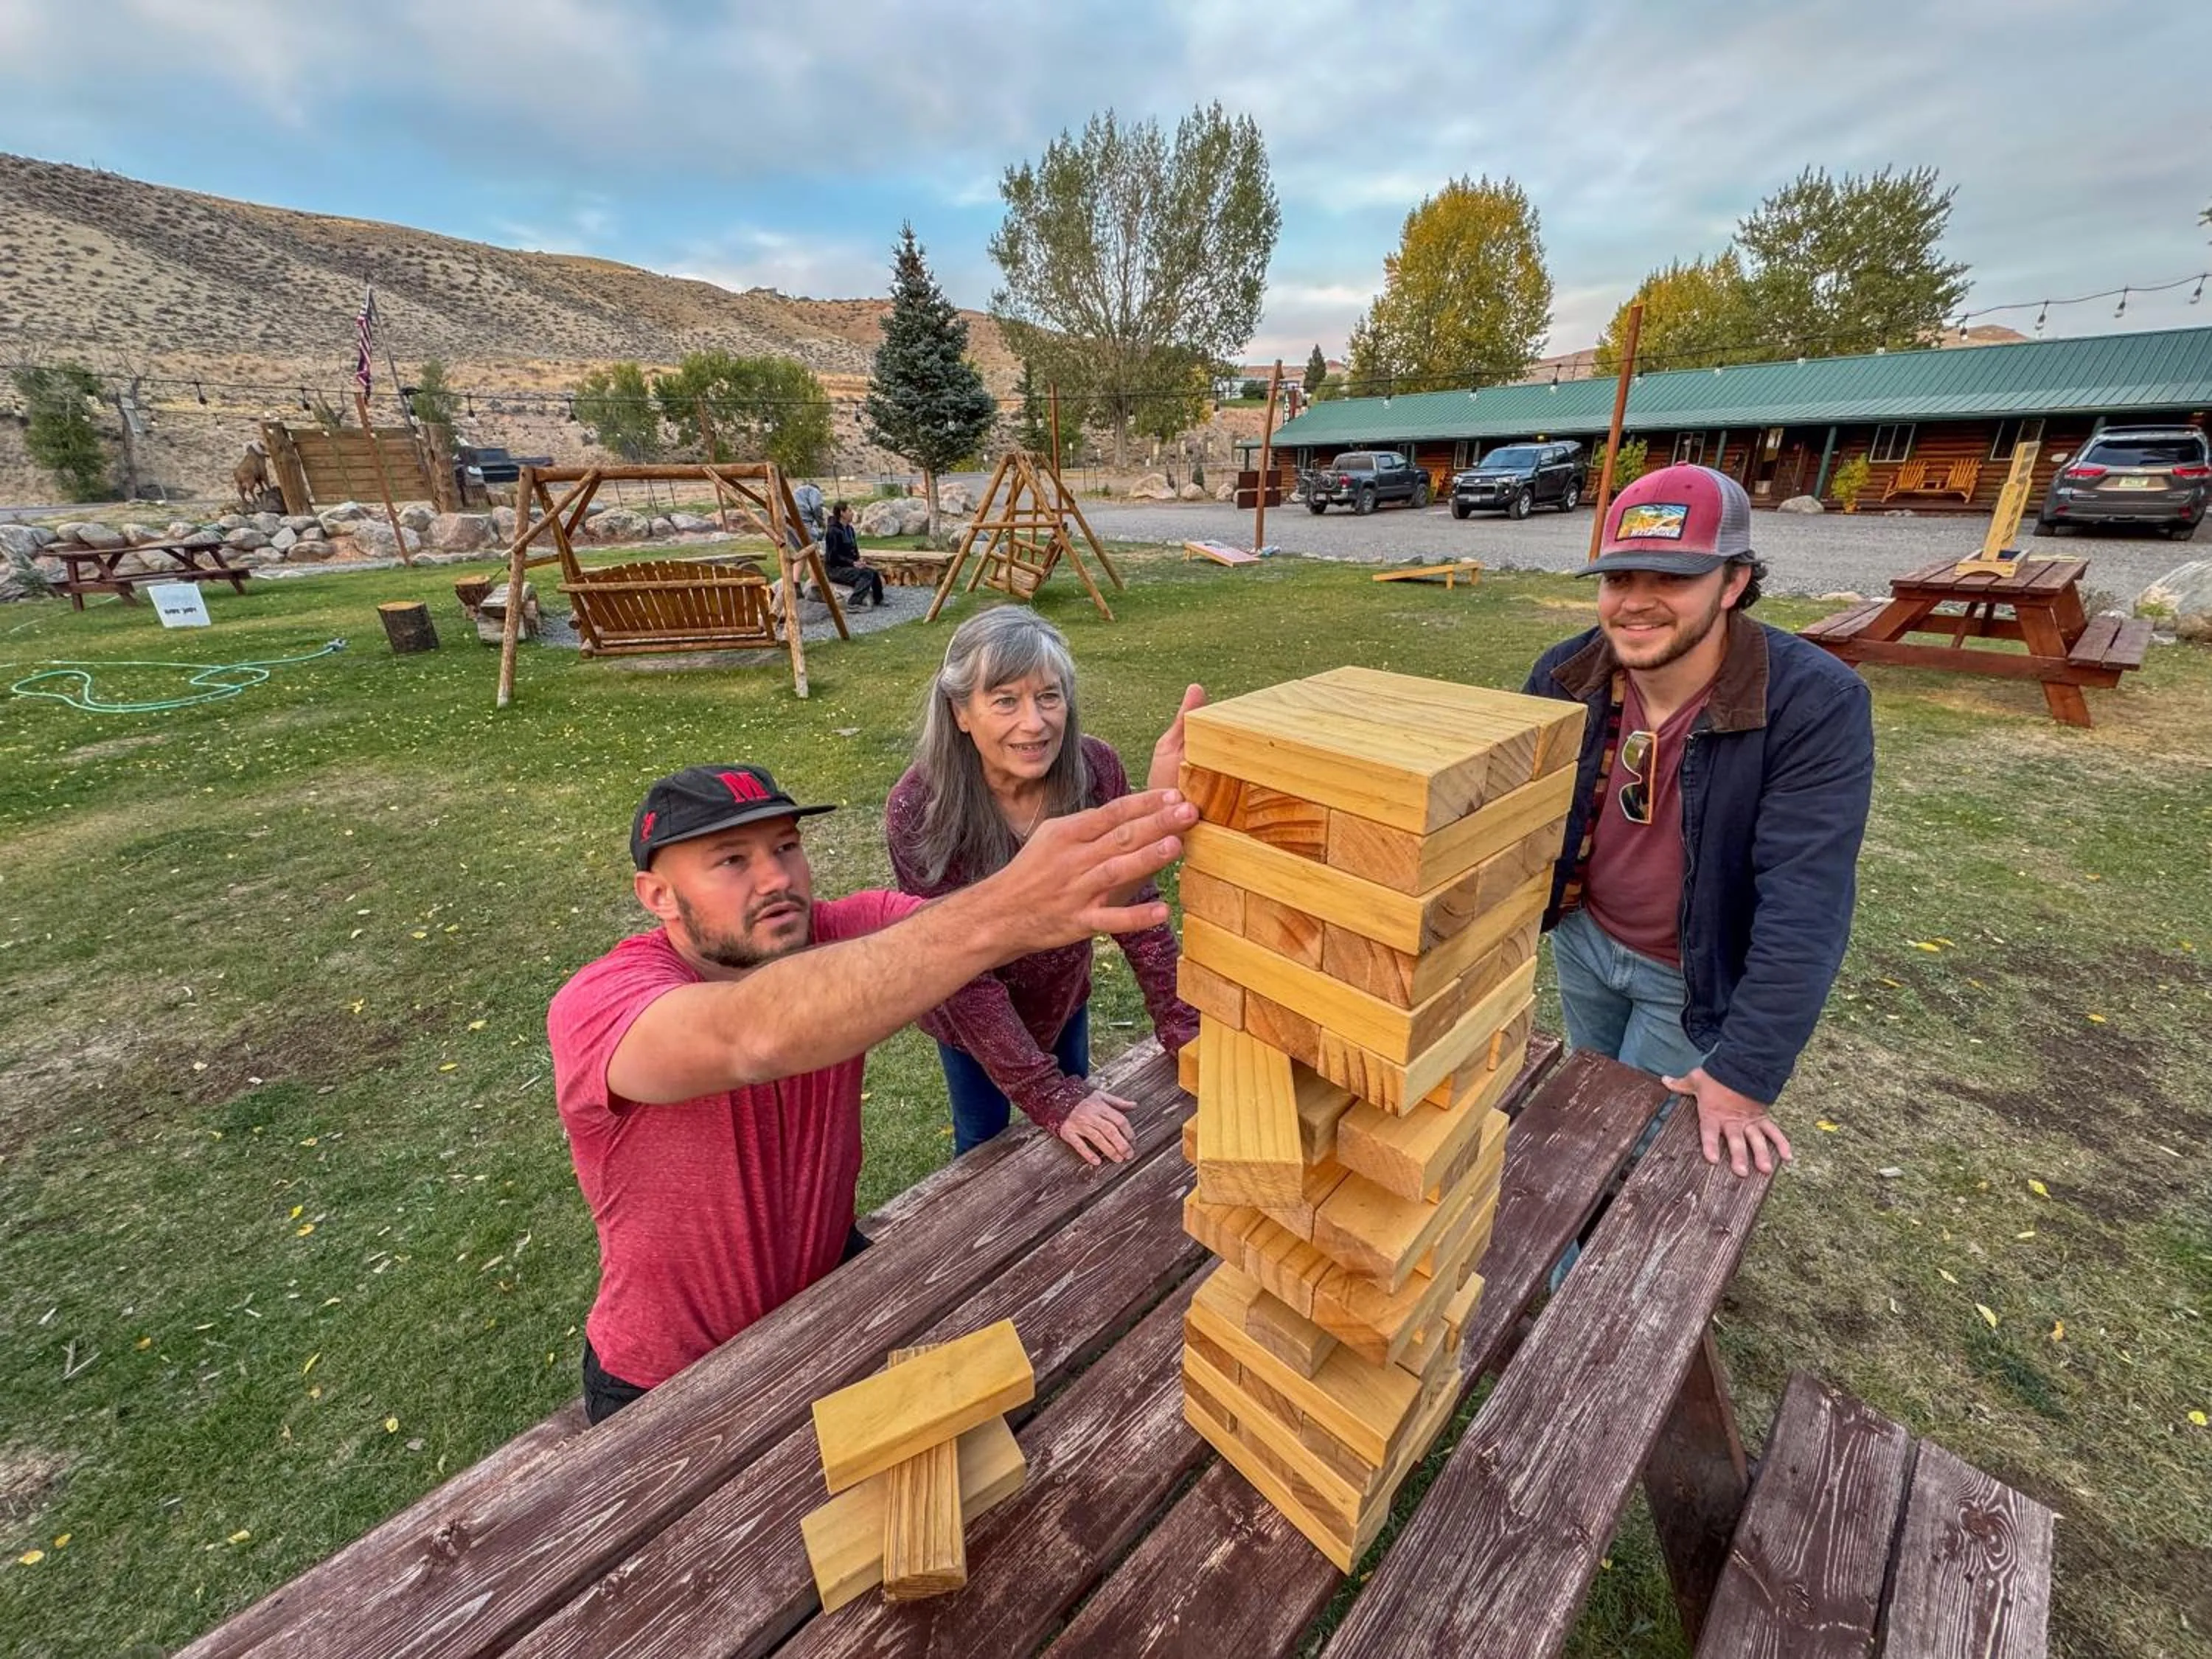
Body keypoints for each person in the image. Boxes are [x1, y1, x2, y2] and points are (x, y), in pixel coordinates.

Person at [547, 761, 1195, 1422]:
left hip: (832, 1300)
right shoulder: (599, 1004)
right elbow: (751, 1036)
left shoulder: (842, 932)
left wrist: (1159, 822)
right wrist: (998, 913)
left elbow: (1008, 923)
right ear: (657, 894)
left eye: (786, 847)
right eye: (732, 860)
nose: (777, 879)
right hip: (669, 1379)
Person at [1523, 464, 1874, 1179]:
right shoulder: (1566, 676)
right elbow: (1509, 815)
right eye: (1619, 578)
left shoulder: (1813, 703)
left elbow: (1807, 901)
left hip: (1690, 973)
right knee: (1588, 1107)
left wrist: (1744, 1073)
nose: (1636, 603)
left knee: (1634, 1150)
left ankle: (1605, 1244)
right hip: (1583, 941)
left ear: (1734, 582)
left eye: (1672, 579)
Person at [886, 608, 1203, 1165]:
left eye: (1049, 697)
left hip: (1063, 992)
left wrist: (1181, 1021)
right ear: (961, 712)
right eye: (1005, 701)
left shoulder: (1095, 769)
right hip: (969, 1017)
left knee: (1080, 1140)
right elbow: (959, 972)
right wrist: (1048, 1095)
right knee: (983, 1147)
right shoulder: (920, 809)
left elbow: (1130, 900)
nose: (1034, 724)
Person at [822, 501, 886, 608]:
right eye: (850, 510)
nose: (852, 513)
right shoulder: (833, 531)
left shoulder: (850, 529)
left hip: (849, 566)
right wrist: (852, 563)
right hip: (836, 569)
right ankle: (854, 603)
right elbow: (833, 556)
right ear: (842, 513)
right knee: (866, 574)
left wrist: (859, 560)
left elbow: (854, 550)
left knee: (873, 572)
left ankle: (878, 599)